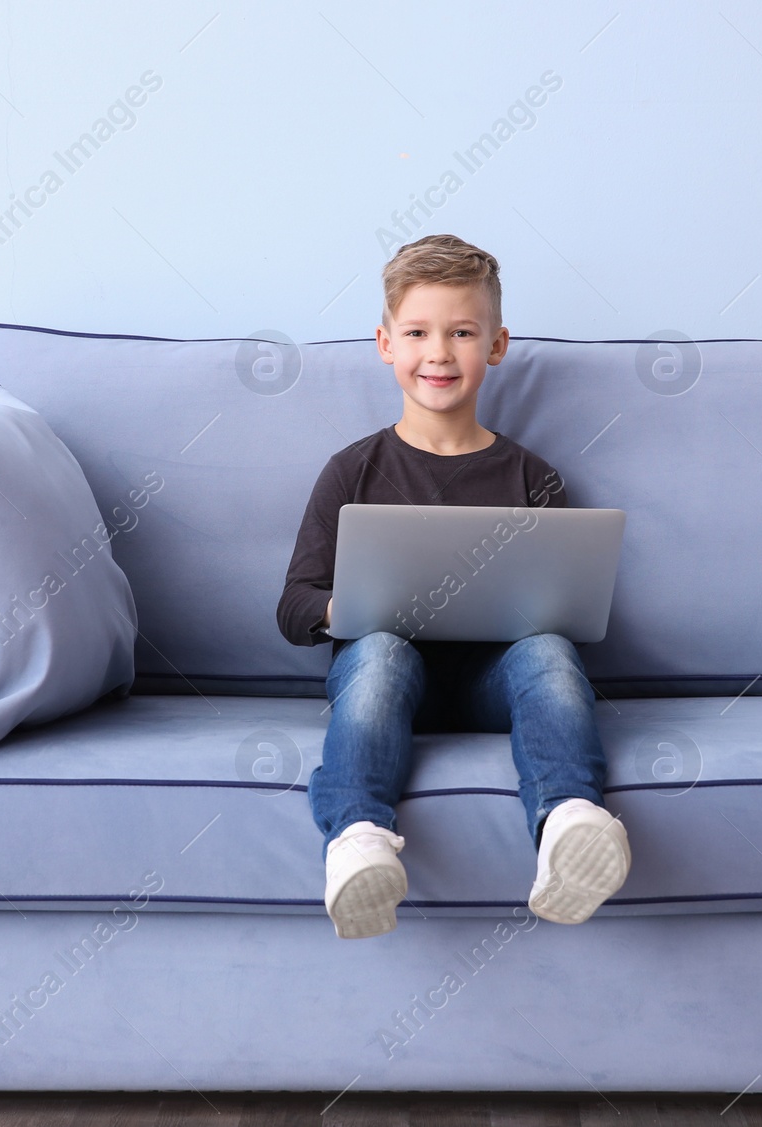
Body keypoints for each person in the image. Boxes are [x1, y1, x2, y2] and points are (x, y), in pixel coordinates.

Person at [275, 233, 630, 939]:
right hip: (388, 679)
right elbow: (294, 605)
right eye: (418, 332)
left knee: (550, 651)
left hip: (493, 684)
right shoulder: (352, 471)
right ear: (385, 343)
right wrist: (353, 607)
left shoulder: (533, 476)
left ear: (496, 345)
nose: (438, 352)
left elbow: (562, 603)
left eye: (462, 332)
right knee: (376, 651)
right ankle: (358, 838)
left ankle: (569, 821)